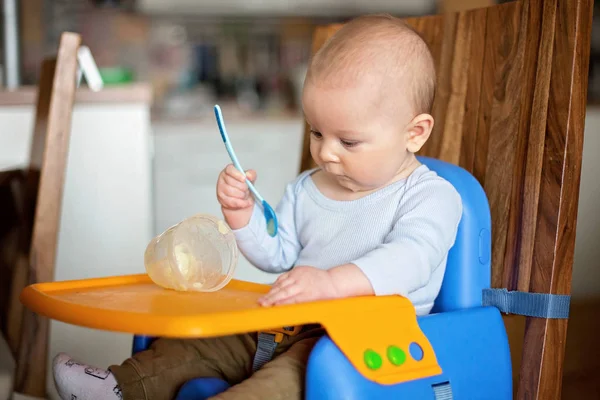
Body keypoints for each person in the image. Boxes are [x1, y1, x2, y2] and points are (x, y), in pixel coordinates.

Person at [52, 13, 462, 400]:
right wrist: (243, 216)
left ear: (414, 133)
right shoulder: (309, 188)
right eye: (317, 132)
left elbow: (412, 258)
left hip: (359, 343)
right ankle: (120, 386)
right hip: (285, 323)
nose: (326, 153)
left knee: (290, 379)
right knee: (204, 343)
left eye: (348, 141)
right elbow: (278, 253)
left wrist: (332, 284)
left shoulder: (431, 196)